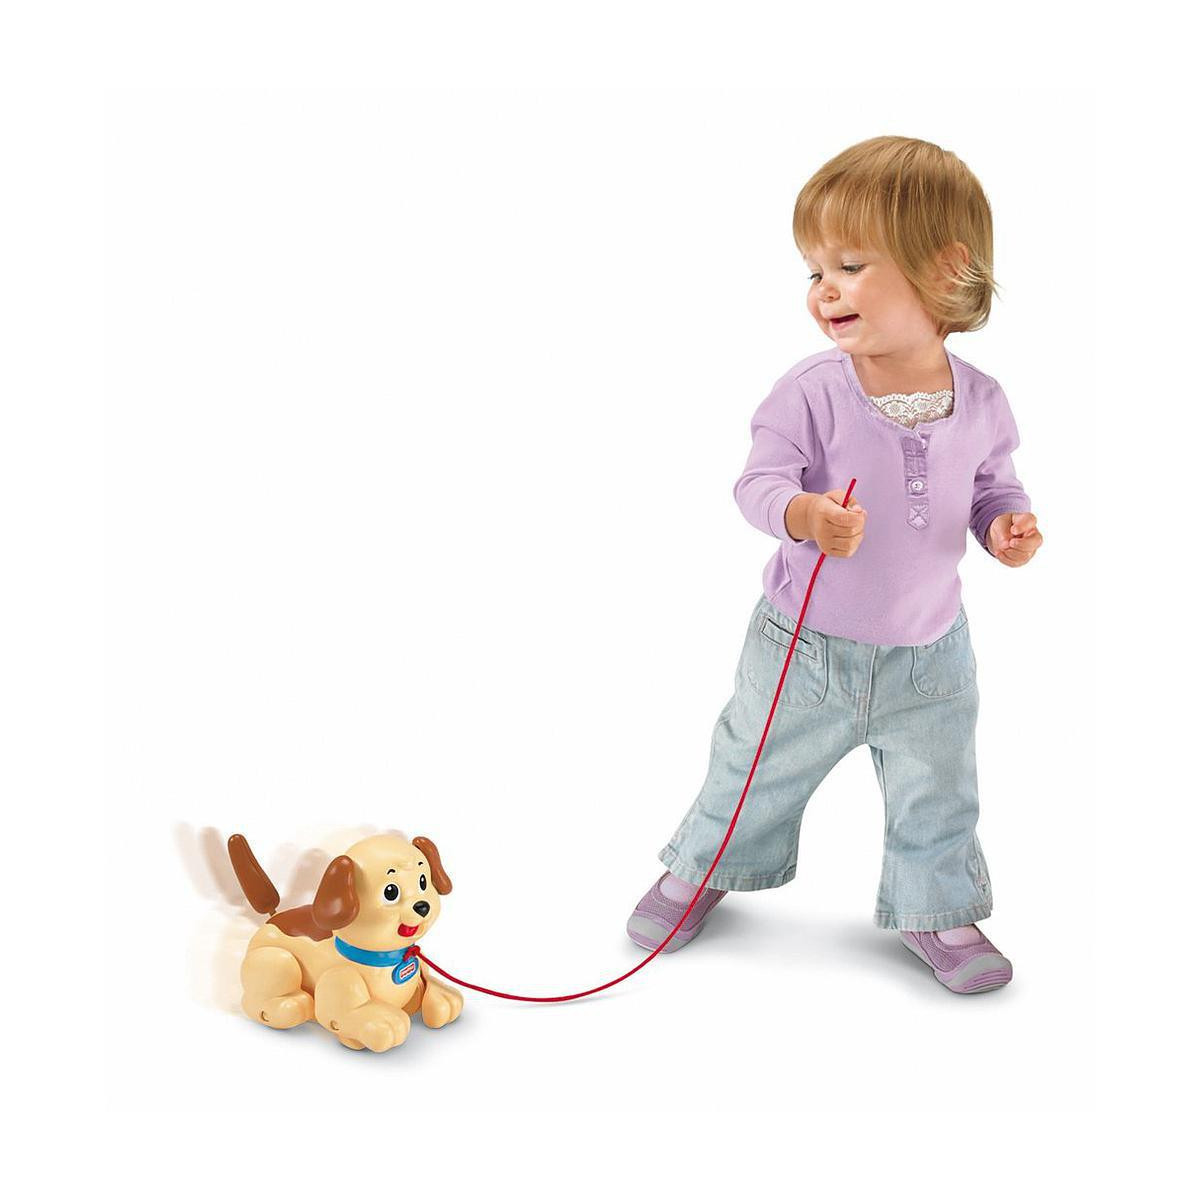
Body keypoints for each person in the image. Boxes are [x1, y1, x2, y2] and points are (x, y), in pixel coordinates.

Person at [626, 136, 1043, 994]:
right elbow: (758, 484)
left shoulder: (983, 400)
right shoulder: (814, 390)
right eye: (814, 270)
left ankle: (938, 908)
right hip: (806, 649)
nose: (823, 289)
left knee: (940, 790)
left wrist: (1004, 527)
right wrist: (803, 515)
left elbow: (991, 487)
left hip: (931, 655)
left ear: (944, 268)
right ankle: (703, 867)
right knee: (754, 767)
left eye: (849, 266)